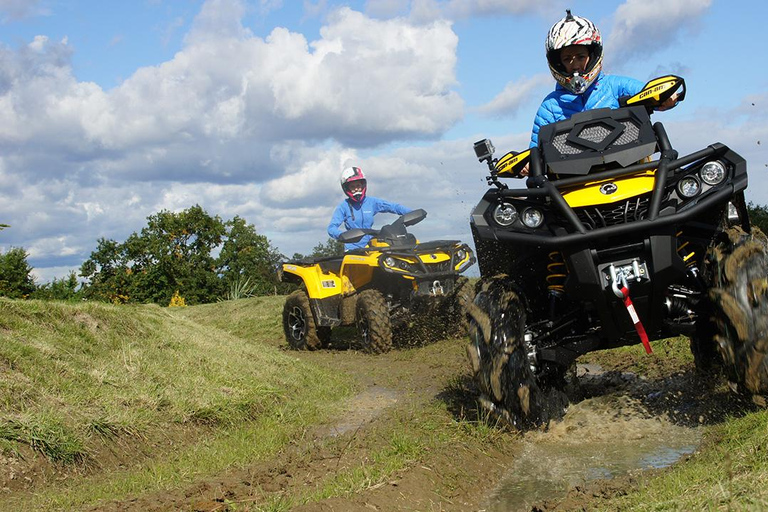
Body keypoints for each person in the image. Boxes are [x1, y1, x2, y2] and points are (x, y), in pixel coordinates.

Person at [529, 10, 678, 148]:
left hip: (631, 167)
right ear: (558, 63)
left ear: (592, 56)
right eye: (567, 59)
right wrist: (527, 163)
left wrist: (666, 98)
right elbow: (536, 150)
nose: (575, 65)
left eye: (581, 57)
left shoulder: (616, 86)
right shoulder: (550, 106)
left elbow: (648, 93)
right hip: (573, 175)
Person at [328, 166, 412, 251]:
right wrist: (342, 235)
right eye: (352, 187)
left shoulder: (371, 202)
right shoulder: (343, 206)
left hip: (371, 246)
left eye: (358, 185)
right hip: (352, 249)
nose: (356, 188)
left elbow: (393, 207)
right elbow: (331, 228)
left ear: (363, 185)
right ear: (347, 189)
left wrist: (411, 213)